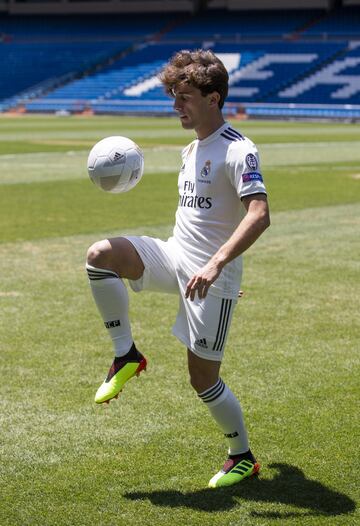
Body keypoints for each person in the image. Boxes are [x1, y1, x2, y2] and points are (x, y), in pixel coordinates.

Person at [86, 49, 270, 488]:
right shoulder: (190, 149)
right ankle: (126, 353)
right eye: (174, 95)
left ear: (214, 97)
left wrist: (220, 266)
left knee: (202, 379)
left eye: (184, 96)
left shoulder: (238, 151)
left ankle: (242, 456)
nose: (176, 105)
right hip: (173, 256)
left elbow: (258, 214)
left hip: (211, 278)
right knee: (100, 256)